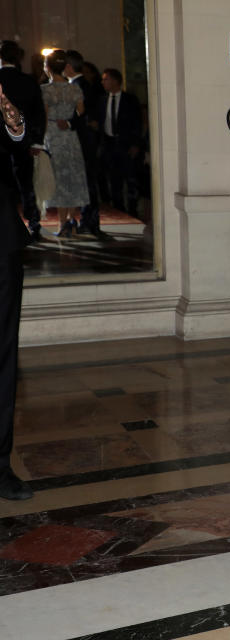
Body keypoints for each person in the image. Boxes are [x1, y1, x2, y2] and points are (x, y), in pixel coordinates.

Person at [0, 82, 33, 501]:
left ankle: (0, 467)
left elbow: (15, 145)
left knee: (3, 359)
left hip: (1, 242)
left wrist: (14, 122)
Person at [40, 50, 89, 237]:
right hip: (70, 136)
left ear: (48, 68)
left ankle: (62, 224)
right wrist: (67, 119)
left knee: (59, 179)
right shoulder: (74, 89)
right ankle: (71, 220)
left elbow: (43, 117)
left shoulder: (45, 90)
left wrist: (39, 141)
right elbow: (81, 111)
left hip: (53, 136)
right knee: (73, 177)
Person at [0, 41, 44, 241]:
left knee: (4, 186)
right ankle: (33, 224)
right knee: (27, 185)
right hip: (24, 142)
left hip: (1, 143)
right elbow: (38, 113)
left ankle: (8, 230)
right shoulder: (28, 81)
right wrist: (36, 141)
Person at [64, 50, 102, 236]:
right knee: (86, 183)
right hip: (83, 141)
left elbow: (84, 114)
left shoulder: (80, 86)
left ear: (69, 67)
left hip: (83, 142)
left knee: (87, 183)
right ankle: (88, 221)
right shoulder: (82, 84)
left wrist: (69, 123)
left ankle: (90, 222)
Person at [97, 68, 141, 216]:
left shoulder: (130, 100)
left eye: (106, 79)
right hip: (109, 144)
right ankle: (118, 208)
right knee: (114, 180)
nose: (103, 82)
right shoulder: (103, 100)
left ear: (115, 81)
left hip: (126, 144)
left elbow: (137, 122)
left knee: (131, 178)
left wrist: (135, 144)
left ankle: (133, 208)